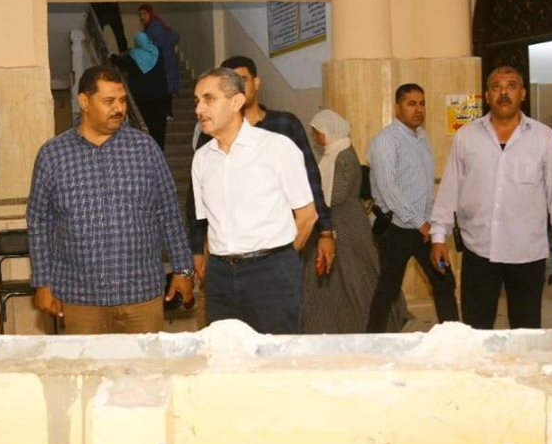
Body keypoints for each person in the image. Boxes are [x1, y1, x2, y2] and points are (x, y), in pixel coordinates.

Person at [26, 64, 194, 334]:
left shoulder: (145, 149)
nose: (119, 108)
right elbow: (39, 222)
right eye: (109, 101)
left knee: (143, 363)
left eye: (122, 100)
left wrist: (183, 269)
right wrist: (42, 283)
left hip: (141, 295)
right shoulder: (53, 155)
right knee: (88, 363)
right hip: (80, 298)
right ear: (84, 101)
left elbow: (168, 211)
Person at [429, 65, 552, 329]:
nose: (503, 93)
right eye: (496, 87)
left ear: (523, 93)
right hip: (479, 250)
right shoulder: (467, 137)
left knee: (525, 331)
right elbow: (450, 189)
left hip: (526, 253)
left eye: (511, 86)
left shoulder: (544, 138)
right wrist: (439, 237)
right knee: (476, 329)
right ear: (487, 95)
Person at [188, 55, 335, 284]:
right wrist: (197, 248)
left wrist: (325, 231)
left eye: (242, 79)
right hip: (226, 266)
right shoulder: (208, 144)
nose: (238, 85)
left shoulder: (283, 129)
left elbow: (310, 181)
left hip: (278, 251)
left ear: (256, 83)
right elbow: (201, 204)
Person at [191, 67, 317, 334]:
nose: (199, 109)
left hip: (271, 273)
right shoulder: (201, 159)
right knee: (225, 352)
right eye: (197, 101)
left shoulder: (276, 148)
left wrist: (279, 261)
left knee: (275, 353)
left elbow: (307, 217)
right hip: (220, 277)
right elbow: (210, 225)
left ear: (236, 102)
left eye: (209, 99)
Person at [302, 109, 409, 334]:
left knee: (357, 272)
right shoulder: (333, 153)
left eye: (317, 133)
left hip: (346, 222)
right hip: (336, 218)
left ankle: (369, 319)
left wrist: (315, 199)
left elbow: (338, 193)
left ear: (329, 131)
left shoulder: (343, 155)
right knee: (334, 277)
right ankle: (333, 321)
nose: (315, 137)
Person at [365, 83, 460, 332]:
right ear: (397, 108)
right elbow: (389, 190)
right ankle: (372, 340)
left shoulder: (422, 138)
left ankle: (453, 338)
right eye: (411, 104)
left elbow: (425, 188)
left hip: (424, 227)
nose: (418, 109)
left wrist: (434, 222)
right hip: (396, 228)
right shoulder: (386, 141)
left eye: (421, 104)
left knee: (444, 281)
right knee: (388, 289)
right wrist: (421, 223)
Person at [111, 31, 169, 151]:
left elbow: (120, 62)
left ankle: (145, 150)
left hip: (142, 98)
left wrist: (111, 56)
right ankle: (158, 150)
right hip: (161, 97)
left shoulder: (134, 57)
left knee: (144, 125)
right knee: (159, 127)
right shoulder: (157, 52)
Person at [138, 4, 180, 111]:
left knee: (165, 87)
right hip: (165, 59)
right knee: (166, 87)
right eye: (140, 14)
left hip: (165, 60)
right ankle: (168, 112)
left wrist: (148, 50)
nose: (142, 17)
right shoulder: (154, 24)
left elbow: (159, 42)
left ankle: (168, 112)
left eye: (144, 14)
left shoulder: (154, 26)